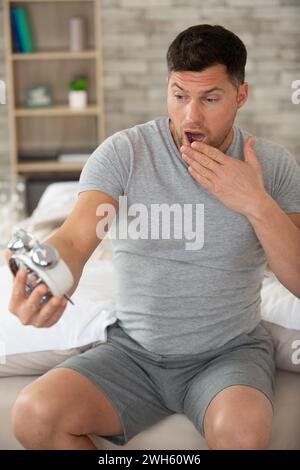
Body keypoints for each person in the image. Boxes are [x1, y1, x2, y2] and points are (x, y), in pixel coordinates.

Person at [8, 24, 300, 450]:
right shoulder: (124, 153)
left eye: (210, 99)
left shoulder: (272, 165)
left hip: (228, 352)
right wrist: (45, 278)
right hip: (134, 352)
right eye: (179, 95)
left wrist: (254, 202)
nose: (190, 117)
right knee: (33, 415)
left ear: (241, 96)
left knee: (242, 435)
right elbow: (73, 239)